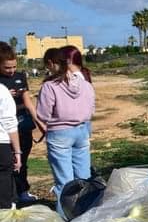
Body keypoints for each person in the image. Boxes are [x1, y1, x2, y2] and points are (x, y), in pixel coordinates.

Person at [35, 45, 96, 209]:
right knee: (84, 177)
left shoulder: (49, 86)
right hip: (82, 131)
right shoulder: (85, 84)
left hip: (59, 133)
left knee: (64, 181)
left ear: (50, 63)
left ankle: (65, 216)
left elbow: (42, 114)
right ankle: (87, 210)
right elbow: (91, 109)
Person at [0, 42, 42, 203]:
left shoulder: (20, 77)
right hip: (4, 129)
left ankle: (22, 191)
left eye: (13, 67)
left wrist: (39, 121)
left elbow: (28, 101)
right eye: (7, 68)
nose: (11, 71)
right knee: (6, 164)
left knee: (22, 161)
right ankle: (9, 196)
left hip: (21, 124)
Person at [0, 60, 22, 209]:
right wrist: (18, 151)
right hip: (2, 143)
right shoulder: (2, 91)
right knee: (4, 181)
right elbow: (9, 123)